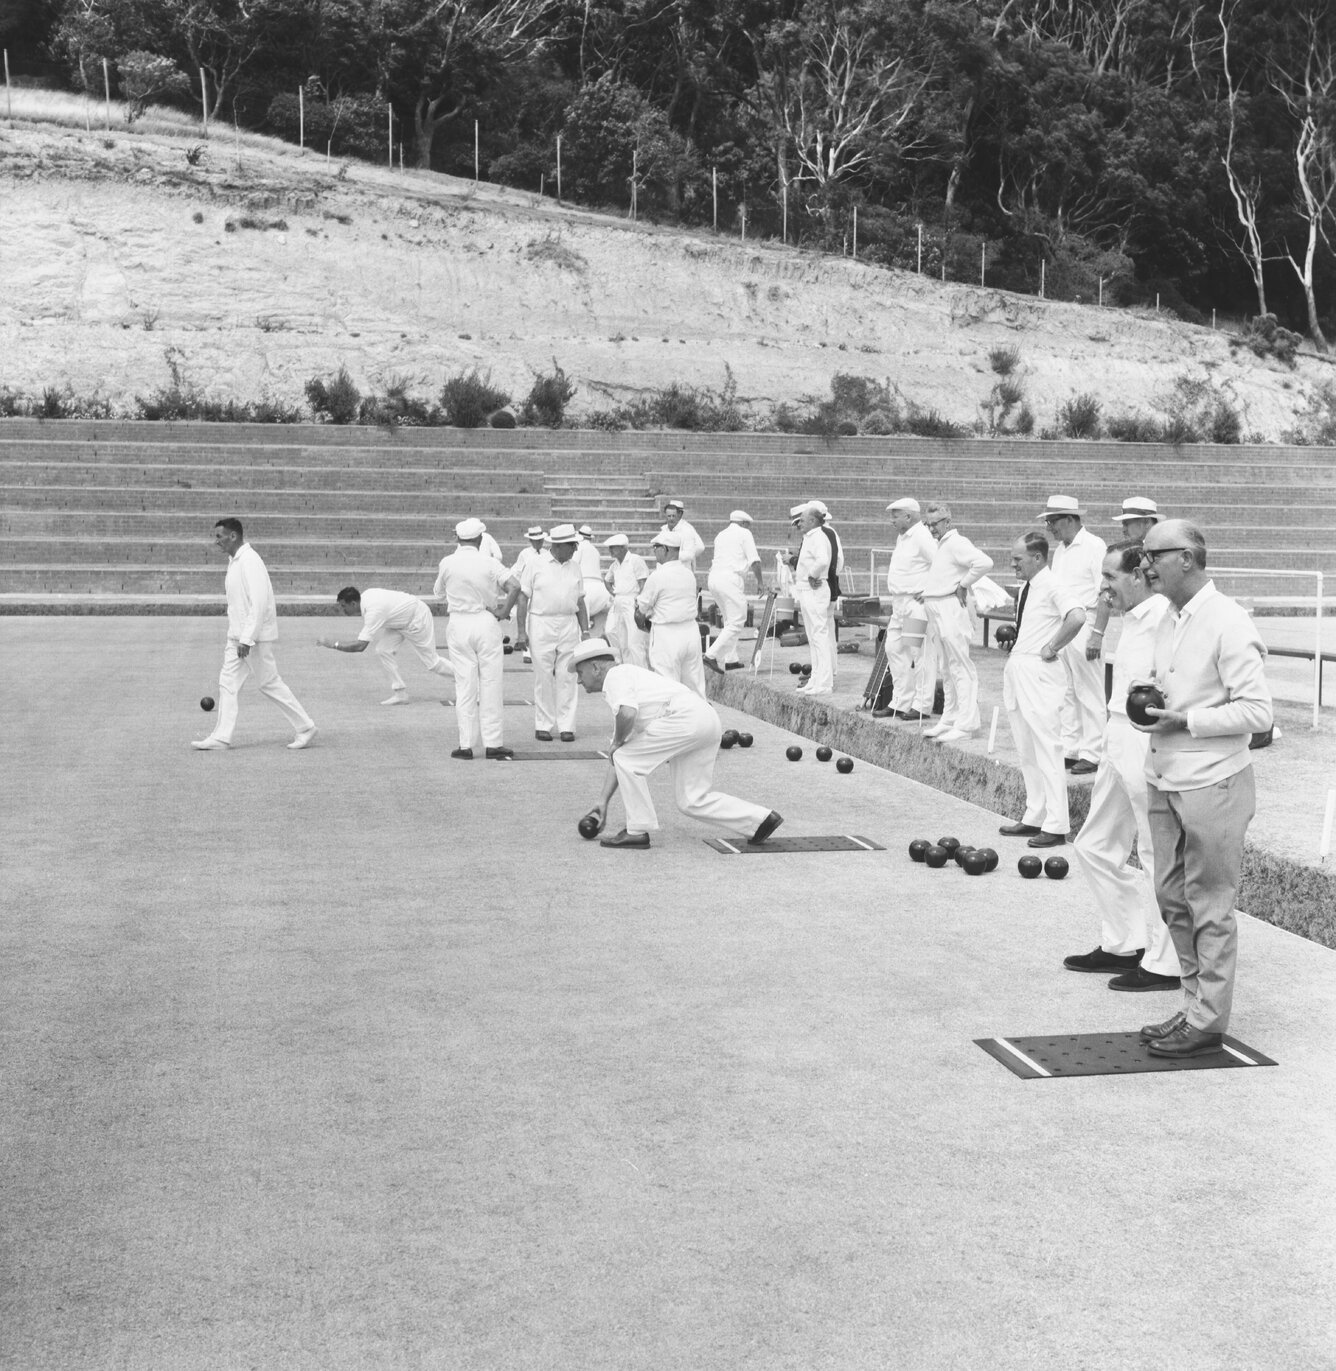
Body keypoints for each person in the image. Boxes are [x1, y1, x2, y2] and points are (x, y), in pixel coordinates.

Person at [1132, 519, 1272, 1058]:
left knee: (1210, 904)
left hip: (1214, 782)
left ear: (1186, 558)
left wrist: (1185, 719)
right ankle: (1193, 1005)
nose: (1145, 564)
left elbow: (1257, 712)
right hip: (1165, 776)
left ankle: (1208, 1021)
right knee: (1171, 895)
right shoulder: (1168, 616)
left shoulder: (1228, 620)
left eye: (1153, 555)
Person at [1066, 542, 1181, 991]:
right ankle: (1125, 942)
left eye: (1111, 577)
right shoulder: (1133, 616)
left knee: (1157, 852)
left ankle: (1165, 963)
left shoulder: (1164, 617)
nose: (1103, 587)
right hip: (1116, 733)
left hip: (1144, 739)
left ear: (1138, 576)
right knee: (1093, 844)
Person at [569, 638, 783, 849]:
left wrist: (617, 744)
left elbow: (626, 717)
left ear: (595, 667)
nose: (579, 681)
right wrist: (603, 801)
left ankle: (636, 830)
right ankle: (760, 820)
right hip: (705, 718)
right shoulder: (628, 680)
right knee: (692, 800)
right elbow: (619, 755)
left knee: (625, 757)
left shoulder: (615, 677)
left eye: (580, 673)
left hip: (683, 718)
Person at [192, 518, 317, 751]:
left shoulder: (250, 560)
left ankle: (306, 727)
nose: (216, 541)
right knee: (227, 683)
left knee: (269, 683)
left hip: (252, 638)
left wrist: (247, 638)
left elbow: (258, 603)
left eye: (219, 536)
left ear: (233, 536)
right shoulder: (235, 561)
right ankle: (221, 737)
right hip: (237, 636)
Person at [997, 533, 1087, 847]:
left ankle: (1057, 824)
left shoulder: (1053, 584)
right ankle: (1035, 814)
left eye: (1018, 559)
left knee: (1047, 748)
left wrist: (1051, 647)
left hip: (1040, 672)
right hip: (1020, 668)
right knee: (1026, 749)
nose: (1012, 564)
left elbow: (1077, 616)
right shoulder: (1028, 588)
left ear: (1037, 558)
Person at [432, 518, 515, 759]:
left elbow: (437, 593)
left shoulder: (447, 562)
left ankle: (466, 745)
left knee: (465, 685)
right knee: (491, 683)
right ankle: (493, 743)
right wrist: (504, 611)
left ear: (457, 538)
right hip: (485, 620)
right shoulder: (489, 562)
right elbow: (515, 586)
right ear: (480, 539)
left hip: (459, 623)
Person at [501, 522, 589, 741]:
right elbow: (523, 598)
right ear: (559, 546)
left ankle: (567, 726)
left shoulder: (575, 566)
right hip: (541, 622)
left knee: (568, 675)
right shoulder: (535, 564)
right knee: (543, 675)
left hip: (568, 623)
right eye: (572, 545)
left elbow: (580, 601)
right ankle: (544, 724)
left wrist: (585, 632)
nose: (575, 549)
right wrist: (522, 632)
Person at [1040, 495, 1108, 774]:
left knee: (1088, 690)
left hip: (1086, 621)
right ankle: (1072, 747)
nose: (1049, 528)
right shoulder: (1060, 551)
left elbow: (1105, 593)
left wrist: (1097, 634)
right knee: (1066, 688)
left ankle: (1093, 753)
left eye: (1053, 521)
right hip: (1064, 623)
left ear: (1069, 519)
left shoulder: (1095, 546)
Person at [918, 503, 992, 742]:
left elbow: (984, 563)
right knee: (946, 666)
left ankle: (967, 723)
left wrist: (963, 585)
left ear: (947, 522)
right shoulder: (943, 545)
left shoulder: (957, 542)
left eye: (935, 524)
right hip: (937, 606)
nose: (931, 529)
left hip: (951, 608)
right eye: (928, 525)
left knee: (960, 665)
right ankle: (950, 717)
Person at [317, 586, 453, 704]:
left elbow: (360, 646)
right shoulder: (366, 598)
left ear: (353, 603)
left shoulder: (373, 611)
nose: (342, 610)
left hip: (417, 619)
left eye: (343, 606)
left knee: (432, 663)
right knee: (383, 650)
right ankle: (400, 693)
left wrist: (332, 644)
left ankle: (470, 682)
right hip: (400, 621)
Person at [875, 497, 936, 721]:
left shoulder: (921, 536)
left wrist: (929, 589)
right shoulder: (904, 537)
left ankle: (921, 705)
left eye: (895, 515)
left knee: (920, 655)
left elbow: (940, 563)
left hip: (915, 604)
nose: (892, 520)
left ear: (908, 516)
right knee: (893, 648)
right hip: (899, 604)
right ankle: (901, 701)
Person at [1086, 497, 1162, 660]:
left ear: (1147, 522)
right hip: (1132, 621)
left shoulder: (1163, 552)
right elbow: (1107, 591)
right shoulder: (1126, 552)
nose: (1123, 529)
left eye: (1127, 523)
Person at [637, 529, 706, 697]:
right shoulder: (688, 574)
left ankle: (673, 722)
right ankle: (701, 721)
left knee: (666, 686)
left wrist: (643, 626)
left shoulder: (658, 576)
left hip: (666, 634)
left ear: (666, 549)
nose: (654, 550)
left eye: (656, 547)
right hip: (690, 631)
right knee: (694, 686)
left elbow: (641, 611)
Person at [790, 501, 842, 698]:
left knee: (819, 636)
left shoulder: (818, 536)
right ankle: (816, 678)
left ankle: (825, 682)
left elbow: (822, 560)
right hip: (805, 589)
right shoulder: (811, 536)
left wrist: (812, 575)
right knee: (813, 637)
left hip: (815, 590)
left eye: (802, 520)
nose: (799, 523)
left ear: (812, 520)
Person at [704, 510, 765, 675]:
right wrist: (760, 582)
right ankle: (710, 655)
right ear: (744, 523)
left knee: (729, 621)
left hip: (714, 578)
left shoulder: (720, 535)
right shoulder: (744, 533)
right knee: (737, 621)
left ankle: (731, 659)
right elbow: (754, 560)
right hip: (730, 579)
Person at [603, 533, 650, 667]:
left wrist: (639, 602)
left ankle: (642, 673)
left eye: (613, 548)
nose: (610, 551)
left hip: (632, 601)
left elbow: (643, 582)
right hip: (618, 600)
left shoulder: (635, 560)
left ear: (623, 548)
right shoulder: (615, 565)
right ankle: (624, 666)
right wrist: (614, 593)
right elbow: (607, 581)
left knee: (634, 643)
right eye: (610, 548)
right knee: (612, 632)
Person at [509, 525, 550, 663]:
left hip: (542, 589)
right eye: (535, 540)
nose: (538, 542)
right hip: (527, 588)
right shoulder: (525, 554)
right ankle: (527, 652)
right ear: (531, 541)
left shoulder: (547, 553)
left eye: (540, 540)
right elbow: (518, 572)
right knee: (526, 619)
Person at [575, 523, 612, 638]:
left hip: (586, 588)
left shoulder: (578, 548)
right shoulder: (595, 550)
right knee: (600, 623)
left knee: (580, 624)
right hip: (601, 589)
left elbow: (573, 566)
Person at [659, 499, 705, 569]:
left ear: (680, 513)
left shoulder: (687, 528)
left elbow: (700, 547)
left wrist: (683, 555)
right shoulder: (665, 529)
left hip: (683, 568)